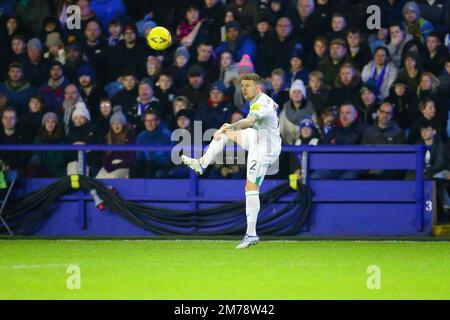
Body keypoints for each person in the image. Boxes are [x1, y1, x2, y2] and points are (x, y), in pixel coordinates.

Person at [181, 73, 282, 249]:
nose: (244, 88)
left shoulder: (259, 104)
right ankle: (202, 163)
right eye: (242, 85)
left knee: (251, 188)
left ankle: (251, 234)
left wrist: (232, 126)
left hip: (265, 149)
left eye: (248, 85)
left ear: (258, 88)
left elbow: (249, 122)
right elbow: (275, 105)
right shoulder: (263, 99)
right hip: (259, 138)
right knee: (225, 130)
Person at [96, 106, 136, 179]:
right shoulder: (108, 139)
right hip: (110, 166)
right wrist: (108, 166)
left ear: (123, 125)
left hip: (123, 166)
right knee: (99, 179)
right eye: (114, 123)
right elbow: (105, 157)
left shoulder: (130, 139)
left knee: (113, 176)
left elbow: (131, 158)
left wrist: (115, 166)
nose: (116, 126)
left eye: (119, 123)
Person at [134, 109, 173, 178]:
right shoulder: (141, 137)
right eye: (147, 121)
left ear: (158, 121)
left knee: (157, 173)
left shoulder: (167, 134)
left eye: (152, 120)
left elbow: (170, 157)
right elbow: (140, 157)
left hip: (163, 166)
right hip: (147, 165)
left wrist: (155, 162)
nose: (149, 123)